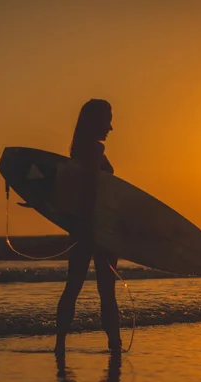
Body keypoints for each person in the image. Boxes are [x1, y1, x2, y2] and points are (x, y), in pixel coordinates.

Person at [55, 99, 121, 355]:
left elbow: (73, 188)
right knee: (107, 292)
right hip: (99, 229)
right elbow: (92, 190)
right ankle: (114, 346)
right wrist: (97, 229)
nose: (111, 127)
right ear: (95, 121)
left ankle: (59, 345)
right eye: (107, 120)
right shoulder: (94, 150)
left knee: (73, 287)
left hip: (81, 227)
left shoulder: (78, 149)